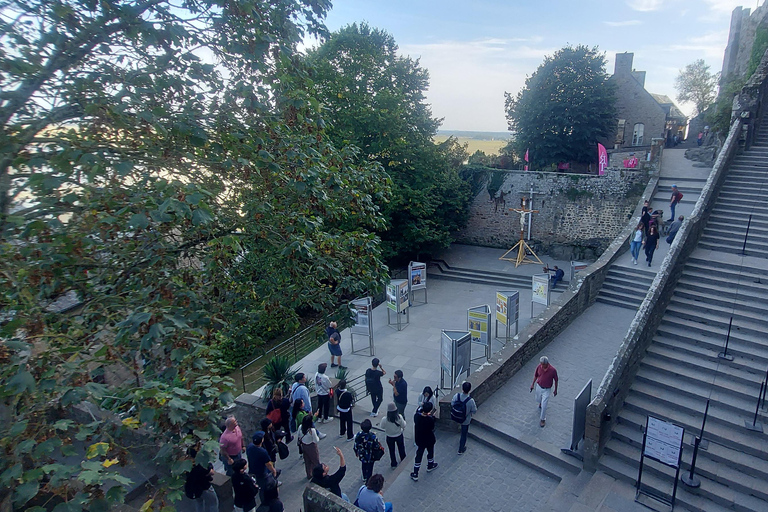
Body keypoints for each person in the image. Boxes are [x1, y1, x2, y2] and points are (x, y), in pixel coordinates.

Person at [246, 431, 280, 502]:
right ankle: (265, 501)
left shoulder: (250, 447)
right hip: (261, 472)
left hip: (252, 470)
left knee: (260, 484)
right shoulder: (262, 452)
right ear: (262, 440)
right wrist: (273, 471)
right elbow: (268, 464)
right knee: (263, 487)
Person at [290, 373, 326, 438]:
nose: (305, 378)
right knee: (309, 422)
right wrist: (310, 410)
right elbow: (307, 400)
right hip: (304, 409)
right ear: (300, 380)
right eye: (303, 377)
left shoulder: (294, 385)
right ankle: (316, 434)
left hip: (296, 406)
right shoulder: (303, 389)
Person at [184, 447, 218, 512]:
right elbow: (211, 472)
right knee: (213, 503)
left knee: (199, 503)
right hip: (204, 486)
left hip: (194, 488)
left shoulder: (186, 464)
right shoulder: (200, 465)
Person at [410, 401, 437, 481]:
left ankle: (415, 473)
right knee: (430, 451)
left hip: (420, 439)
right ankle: (430, 465)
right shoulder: (430, 419)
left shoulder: (417, 417)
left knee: (419, 455)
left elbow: (417, 412)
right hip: (429, 439)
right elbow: (432, 428)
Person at [530, 356, 558, 428]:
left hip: (547, 389)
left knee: (544, 405)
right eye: (541, 364)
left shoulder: (553, 370)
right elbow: (536, 376)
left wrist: (555, 390)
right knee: (538, 399)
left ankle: (542, 419)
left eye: (543, 364)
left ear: (547, 363)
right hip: (539, 386)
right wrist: (532, 384)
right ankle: (540, 403)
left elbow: (556, 380)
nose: (542, 366)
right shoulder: (539, 367)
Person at [452, 381, 477, 455]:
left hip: (456, 416)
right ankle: (461, 449)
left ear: (462, 389)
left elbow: (452, 403)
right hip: (465, 420)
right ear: (469, 390)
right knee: (464, 433)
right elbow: (474, 411)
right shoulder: (470, 401)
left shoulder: (457, 396)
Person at [379, 403, 406, 469]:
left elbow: (382, 426)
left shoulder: (385, 419)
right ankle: (403, 460)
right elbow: (404, 425)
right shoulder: (399, 417)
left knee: (391, 450)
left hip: (389, 436)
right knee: (401, 448)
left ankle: (393, 463)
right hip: (399, 435)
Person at [299, 414, 321, 479]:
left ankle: (309, 474)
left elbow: (299, 436)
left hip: (304, 446)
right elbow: (316, 440)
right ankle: (317, 475)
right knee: (315, 461)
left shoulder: (300, 427)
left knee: (307, 461)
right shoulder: (312, 430)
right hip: (311, 446)